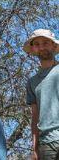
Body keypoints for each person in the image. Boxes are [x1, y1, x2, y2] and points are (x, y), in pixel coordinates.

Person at [23, 29, 59, 159]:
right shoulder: (32, 82)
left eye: (45, 42)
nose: (41, 47)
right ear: (32, 49)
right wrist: (34, 148)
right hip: (46, 144)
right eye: (37, 44)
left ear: (54, 45)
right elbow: (35, 117)